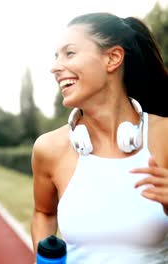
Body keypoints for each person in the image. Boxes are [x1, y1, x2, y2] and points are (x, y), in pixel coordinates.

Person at [31, 12, 168, 263]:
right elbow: (44, 212)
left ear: (113, 58)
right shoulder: (49, 149)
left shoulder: (165, 136)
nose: (54, 67)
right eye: (55, 56)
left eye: (69, 53)